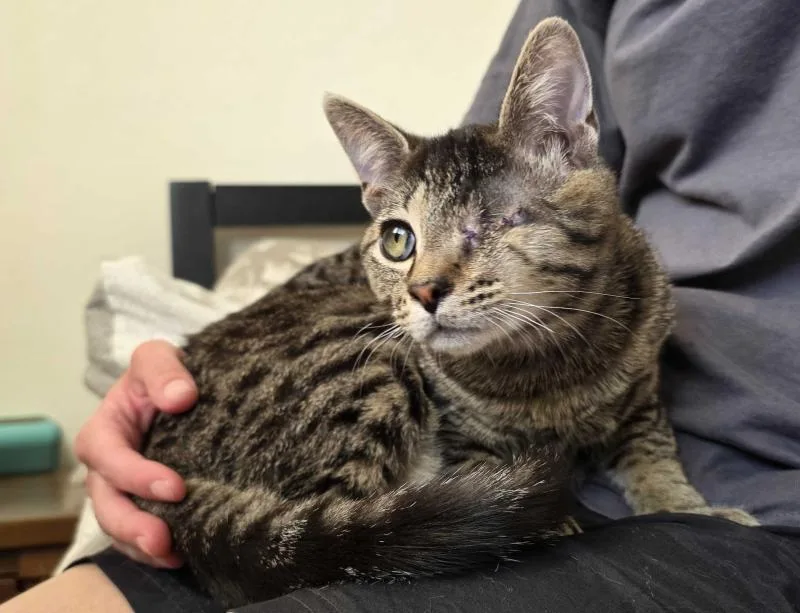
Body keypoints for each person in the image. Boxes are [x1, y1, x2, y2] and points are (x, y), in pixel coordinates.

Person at [4, 0, 800, 611]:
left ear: (567, 145)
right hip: (260, 484)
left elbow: (632, 409)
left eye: (481, 232)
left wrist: (661, 482)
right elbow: (457, 165)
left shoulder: (626, 292)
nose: (429, 282)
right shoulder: (427, 312)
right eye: (399, 240)